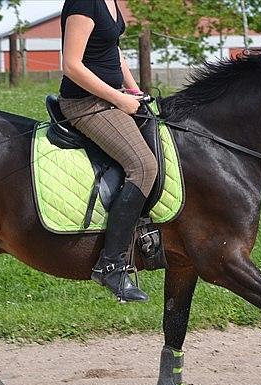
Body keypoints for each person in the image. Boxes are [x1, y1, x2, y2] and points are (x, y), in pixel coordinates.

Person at [59, 0, 158, 302]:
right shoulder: (83, 2)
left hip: (112, 100)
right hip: (85, 104)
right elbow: (72, 65)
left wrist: (133, 90)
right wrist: (119, 98)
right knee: (143, 166)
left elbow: (111, 50)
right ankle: (111, 266)